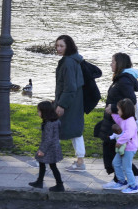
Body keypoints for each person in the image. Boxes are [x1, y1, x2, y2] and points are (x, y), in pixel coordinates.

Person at [97, 52, 138, 189]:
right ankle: (122, 178)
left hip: (118, 121)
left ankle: (127, 177)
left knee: (114, 149)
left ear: (120, 63)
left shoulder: (124, 80)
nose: (110, 64)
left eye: (112, 61)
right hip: (114, 120)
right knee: (112, 149)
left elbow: (131, 101)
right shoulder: (121, 78)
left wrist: (113, 107)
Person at [54, 35, 86, 172]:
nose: (58, 48)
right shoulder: (73, 60)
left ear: (68, 46)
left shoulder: (68, 62)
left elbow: (70, 87)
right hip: (74, 101)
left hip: (69, 102)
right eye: (57, 46)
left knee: (54, 128)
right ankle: (80, 161)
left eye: (61, 46)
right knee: (75, 130)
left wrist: (61, 104)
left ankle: (43, 157)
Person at [29, 101, 64, 192]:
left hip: (49, 148)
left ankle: (60, 185)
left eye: (39, 111)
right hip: (54, 146)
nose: (38, 113)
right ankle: (39, 181)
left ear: (44, 112)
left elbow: (48, 139)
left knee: (52, 166)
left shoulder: (49, 124)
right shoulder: (56, 121)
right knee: (42, 163)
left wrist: (42, 150)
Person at [108, 98, 138, 194]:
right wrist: (112, 113)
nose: (118, 111)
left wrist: (120, 142)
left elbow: (129, 133)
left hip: (129, 148)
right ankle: (122, 181)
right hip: (124, 148)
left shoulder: (130, 121)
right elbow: (118, 120)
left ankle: (133, 186)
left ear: (124, 110)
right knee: (116, 163)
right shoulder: (123, 119)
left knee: (127, 167)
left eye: (118, 110)